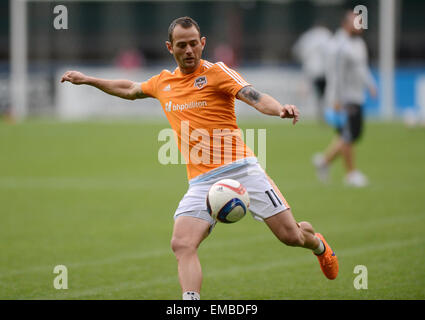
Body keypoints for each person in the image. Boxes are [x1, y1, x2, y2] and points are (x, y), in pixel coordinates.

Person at [61, 16, 338, 300]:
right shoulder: (163, 83)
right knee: (181, 244)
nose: (189, 50)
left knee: (291, 236)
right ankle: (191, 303)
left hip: (243, 171)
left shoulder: (218, 73)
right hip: (202, 183)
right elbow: (130, 89)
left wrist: (279, 109)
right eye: (182, 45)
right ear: (170, 47)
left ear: (203, 43)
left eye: (194, 43)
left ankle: (318, 245)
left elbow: (254, 96)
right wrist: (88, 80)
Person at [313, 11, 377, 187]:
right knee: (348, 134)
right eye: (356, 23)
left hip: (356, 95)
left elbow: (361, 68)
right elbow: (336, 75)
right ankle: (351, 174)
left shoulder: (358, 43)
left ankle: (324, 161)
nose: (359, 26)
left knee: (352, 134)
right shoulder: (339, 46)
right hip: (344, 98)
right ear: (345, 24)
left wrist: (370, 84)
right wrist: (336, 99)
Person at [292, 23, 332, 123]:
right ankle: (324, 114)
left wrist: (303, 60)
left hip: (309, 69)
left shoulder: (308, 36)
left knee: (305, 91)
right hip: (324, 70)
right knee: (323, 95)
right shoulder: (327, 35)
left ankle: (299, 113)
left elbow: (296, 50)